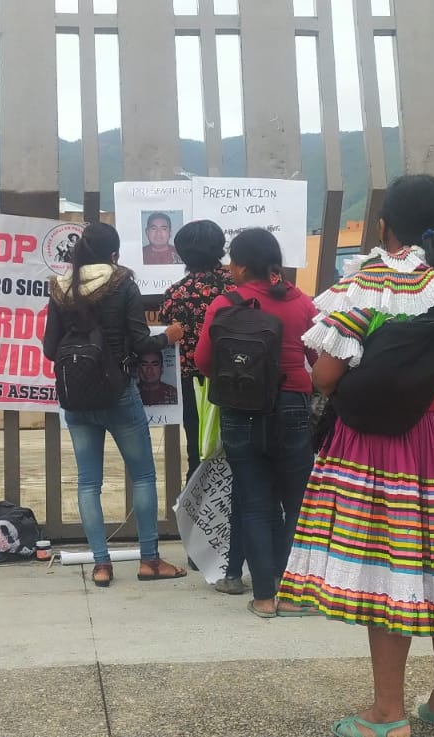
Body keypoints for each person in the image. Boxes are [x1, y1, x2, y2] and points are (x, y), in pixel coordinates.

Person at [280, 175, 434, 737]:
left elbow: (324, 376)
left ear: (386, 225)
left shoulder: (372, 280)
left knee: (389, 571)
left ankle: (387, 713)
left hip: (384, 446)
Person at [42, 223, 189, 587]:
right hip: (119, 393)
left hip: (75, 397)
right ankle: (150, 561)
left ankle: (101, 565)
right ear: (113, 255)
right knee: (142, 475)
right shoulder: (122, 282)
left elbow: (49, 349)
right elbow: (140, 342)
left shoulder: (61, 286)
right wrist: (167, 336)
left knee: (88, 483)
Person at [196, 229, 319, 618]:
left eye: (232, 262)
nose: (229, 269)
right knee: (296, 501)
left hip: (242, 411)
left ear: (243, 266)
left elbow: (203, 362)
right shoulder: (303, 303)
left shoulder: (225, 303)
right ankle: (295, 590)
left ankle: (264, 597)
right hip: (294, 407)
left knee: (254, 503)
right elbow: (318, 354)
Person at [158, 220, 243, 593]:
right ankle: (240, 542)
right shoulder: (236, 288)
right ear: (220, 247)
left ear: (181, 253)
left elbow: (166, 327)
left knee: (199, 460)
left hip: (194, 388)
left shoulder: (176, 294)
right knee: (241, 462)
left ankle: (200, 549)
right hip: (241, 385)